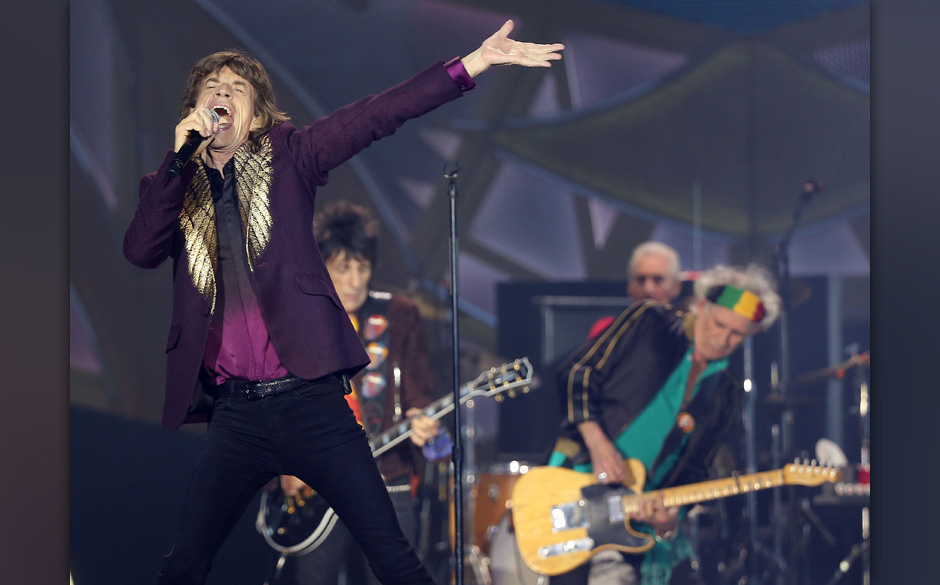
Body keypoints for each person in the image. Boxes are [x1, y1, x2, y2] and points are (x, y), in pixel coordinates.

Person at [122, 21, 563, 585]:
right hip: (236, 415)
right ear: (192, 109)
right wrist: (180, 160)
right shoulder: (168, 185)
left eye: (237, 87)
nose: (222, 92)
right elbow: (140, 250)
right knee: (185, 562)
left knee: (392, 556)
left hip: (312, 403)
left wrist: (470, 64)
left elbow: (377, 114)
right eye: (211, 85)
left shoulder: (290, 156)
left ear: (257, 117)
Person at [546, 264, 780, 585]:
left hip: (628, 520)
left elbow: (695, 470)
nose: (723, 339)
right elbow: (577, 372)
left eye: (736, 333)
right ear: (701, 307)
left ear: (751, 333)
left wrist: (671, 516)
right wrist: (597, 442)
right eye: (718, 324)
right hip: (574, 483)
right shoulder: (650, 322)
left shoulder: (725, 393)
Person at [276, 200, 441, 585]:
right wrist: (285, 466)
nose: (354, 282)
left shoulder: (399, 314)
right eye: (342, 269)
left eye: (362, 268)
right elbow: (275, 403)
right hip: (319, 483)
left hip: (389, 477)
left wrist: (420, 416)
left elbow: (419, 389)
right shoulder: (294, 319)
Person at [586, 241, 683, 341]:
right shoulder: (606, 331)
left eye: (658, 280)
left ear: (676, 287)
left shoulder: (687, 335)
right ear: (629, 287)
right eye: (640, 280)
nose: (648, 289)